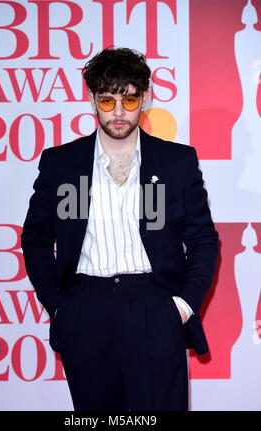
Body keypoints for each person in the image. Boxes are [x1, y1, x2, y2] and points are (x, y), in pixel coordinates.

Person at [21, 47, 219, 411]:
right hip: (85, 309)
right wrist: (60, 307)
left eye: (128, 100)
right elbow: (34, 240)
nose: (117, 112)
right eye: (107, 99)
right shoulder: (61, 165)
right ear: (91, 98)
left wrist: (183, 305)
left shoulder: (176, 162)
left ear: (144, 98)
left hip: (154, 305)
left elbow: (204, 240)